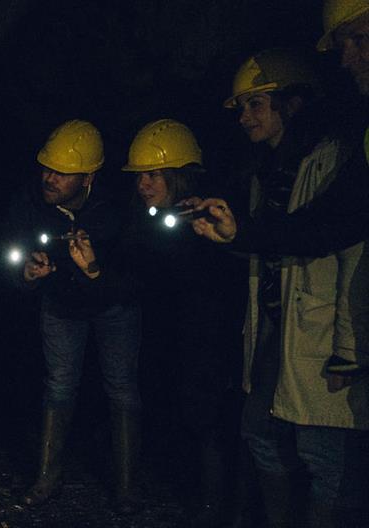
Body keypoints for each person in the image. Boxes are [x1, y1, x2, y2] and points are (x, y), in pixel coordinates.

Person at [190, 48, 369, 527]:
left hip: (323, 327)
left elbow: (350, 245)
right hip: (276, 324)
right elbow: (269, 242)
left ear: (293, 102)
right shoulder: (264, 169)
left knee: (324, 452)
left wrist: (351, 347)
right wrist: (227, 236)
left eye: (256, 104)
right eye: (241, 107)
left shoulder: (334, 158)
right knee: (260, 433)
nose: (245, 116)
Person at [0, 120, 142, 511]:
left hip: (114, 306)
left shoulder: (117, 209)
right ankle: (47, 477)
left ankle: (126, 487)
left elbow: (137, 274)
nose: (48, 178)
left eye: (60, 173)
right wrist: (27, 275)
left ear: (88, 178)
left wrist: (94, 271)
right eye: (46, 168)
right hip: (62, 306)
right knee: (59, 385)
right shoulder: (29, 201)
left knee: (121, 388)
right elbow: (7, 255)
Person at [118, 119, 245, 527]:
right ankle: (188, 493)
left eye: (154, 174)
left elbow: (215, 280)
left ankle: (215, 507)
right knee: (176, 411)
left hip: (204, 334)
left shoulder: (205, 215)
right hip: (167, 332)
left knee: (207, 418)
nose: (145, 183)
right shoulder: (147, 219)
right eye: (141, 176)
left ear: (178, 173)